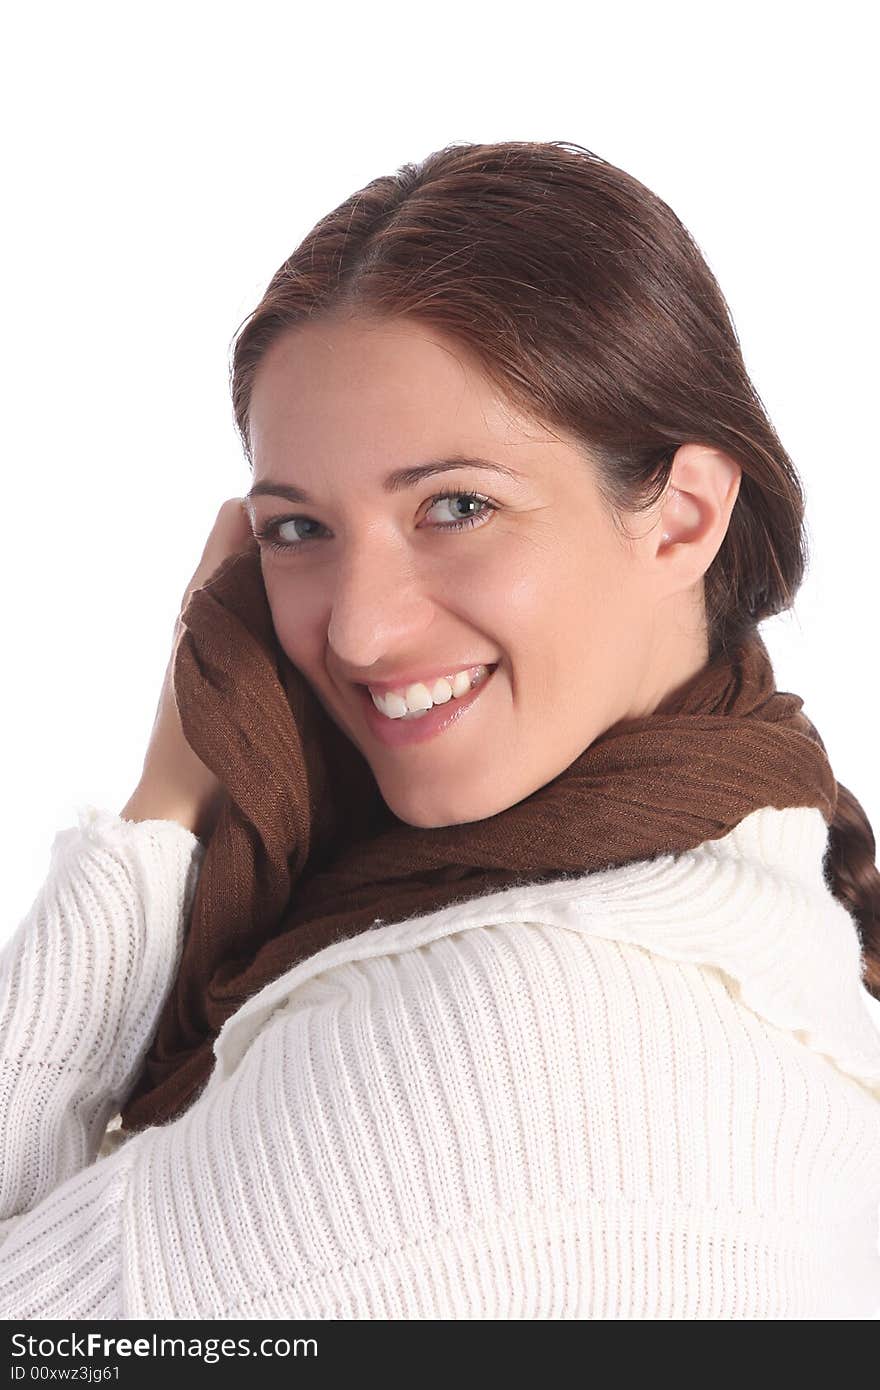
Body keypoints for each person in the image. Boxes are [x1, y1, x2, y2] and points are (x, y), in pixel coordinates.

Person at [2, 139, 879, 1320]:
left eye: (455, 507)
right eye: (297, 529)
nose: (358, 634)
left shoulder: (511, 1028)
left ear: (681, 518)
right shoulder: (766, 939)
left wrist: (160, 824)